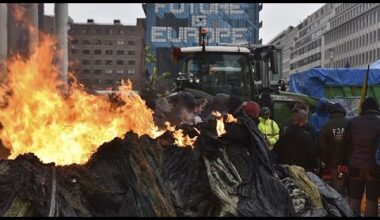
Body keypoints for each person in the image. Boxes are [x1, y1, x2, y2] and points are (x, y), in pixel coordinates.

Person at [338, 97, 380, 217]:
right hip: (374, 168)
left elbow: (344, 145)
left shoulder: (353, 122)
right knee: (372, 199)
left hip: (355, 165)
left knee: (354, 198)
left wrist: (342, 162)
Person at [319, 103, 349, 195]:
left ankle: (341, 208)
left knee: (338, 188)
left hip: (334, 164)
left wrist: (326, 161)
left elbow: (322, 147)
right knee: (353, 191)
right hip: (350, 163)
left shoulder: (326, 126)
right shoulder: (350, 123)